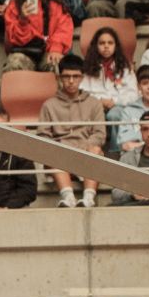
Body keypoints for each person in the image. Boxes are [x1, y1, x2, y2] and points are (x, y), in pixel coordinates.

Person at [39, 53, 106, 204]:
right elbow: (43, 136)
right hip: (60, 155)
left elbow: (100, 134)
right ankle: (68, 198)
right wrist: (63, 148)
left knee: (96, 150)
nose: (71, 81)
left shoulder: (94, 103)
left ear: (82, 77)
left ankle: (88, 198)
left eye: (75, 76)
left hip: (86, 152)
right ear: (59, 78)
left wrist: (82, 148)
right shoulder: (49, 105)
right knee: (52, 153)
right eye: (66, 76)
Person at [3, 0, 74, 71]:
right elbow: (13, 39)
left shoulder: (55, 3)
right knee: (14, 63)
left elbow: (64, 28)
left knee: (56, 64)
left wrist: (56, 48)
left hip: (48, 51)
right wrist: (22, 20)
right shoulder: (13, 5)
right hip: (24, 52)